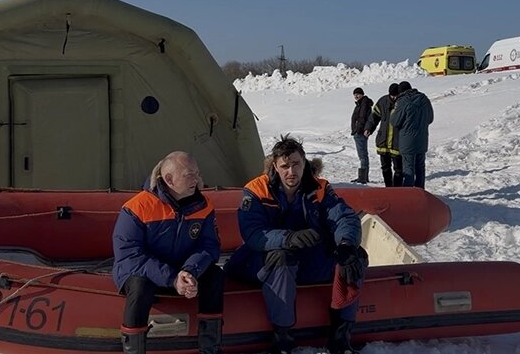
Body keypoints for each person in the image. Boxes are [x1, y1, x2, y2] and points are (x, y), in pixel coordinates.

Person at [224, 136, 369, 354]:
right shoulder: (256, 191)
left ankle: (341, 336)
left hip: (307, 259)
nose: (291, 172)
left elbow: (344, 217)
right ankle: (282, 339)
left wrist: (346, 243)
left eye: (296, 164)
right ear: (275, 166)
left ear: (304, 163)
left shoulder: (319, 189)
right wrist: (288, 238)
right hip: (260, 259)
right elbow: (254, 233)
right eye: (285, 166)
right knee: (282, 258)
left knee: (353, 257)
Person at [112, 151, 223, 354]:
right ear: (169, 179)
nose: (197, 180)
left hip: (182, 269)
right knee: (139, 286)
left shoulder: (204, 207)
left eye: (197, 173)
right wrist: (172, 278)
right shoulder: (136, 208)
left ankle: (210, 348)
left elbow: (209, 246)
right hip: (146, 272)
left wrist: (190, 271)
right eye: (190, 175)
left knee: (215, 275)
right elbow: (130, 256)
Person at [391, 81, 434, 189]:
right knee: (420, 168)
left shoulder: (402, 101)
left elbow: (395, 121)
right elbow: (430, 118)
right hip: (422, 139)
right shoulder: (424, 99)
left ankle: (409, 196)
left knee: (408, 169)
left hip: (407, 141)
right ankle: (420, 193)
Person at [364, 83, 403, 187]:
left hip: (397, 143)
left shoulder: (402, 102)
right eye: (392, 95)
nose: (394, 97)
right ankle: (388, 187)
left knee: (398, 169)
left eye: (396, 95)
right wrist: (368, 128)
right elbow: (374, 117)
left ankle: (397, 189)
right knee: (385, 167)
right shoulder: (383, 101)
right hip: (383, 141)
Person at [349, 88, 373, 184]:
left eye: (358, 94)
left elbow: (362, 118)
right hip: (359, 132)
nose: (356, 96)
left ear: (362, 94)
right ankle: (363, 176)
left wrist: (358, 130)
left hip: (360, 133)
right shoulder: (361, 104)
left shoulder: (364, 104)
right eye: (355, 94)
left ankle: (363, 177)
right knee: (362, 155)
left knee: (362, 155)